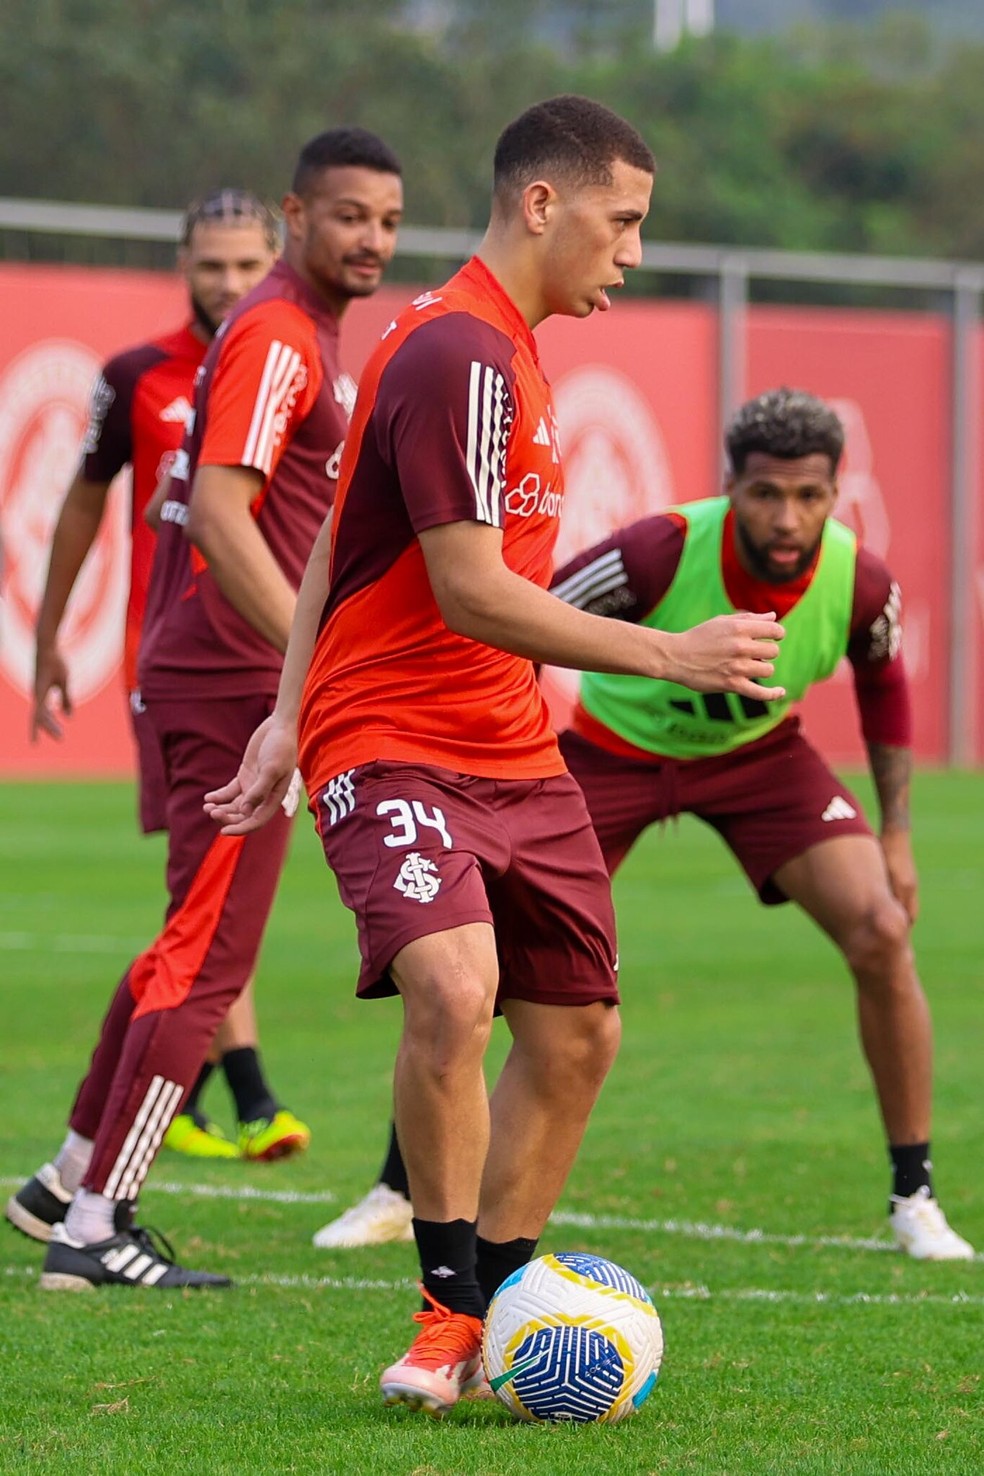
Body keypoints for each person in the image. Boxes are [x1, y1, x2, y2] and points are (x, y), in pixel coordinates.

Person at [204, 95, 787, 1415]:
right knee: (458, 989)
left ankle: (502, 1309)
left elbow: (334, 543)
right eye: (623, 219)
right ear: (543, 204)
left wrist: (277, 710)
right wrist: (667, 652)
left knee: (577, 1037)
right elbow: (468, 591)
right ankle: (444, 1310)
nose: (635, 249)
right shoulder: (458, 350)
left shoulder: (499, 349)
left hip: (510, 746)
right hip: (398, 741)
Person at [324, 386, 974, 1264]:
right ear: (730, 489)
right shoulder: (659, 553)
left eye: (810, 496)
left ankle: (915, 1196)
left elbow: (884, 690)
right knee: (484, 972)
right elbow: (528, 613)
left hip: (759, 758)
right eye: (766, 494)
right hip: (612, 753)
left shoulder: (863, 584)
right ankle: (402, 1191)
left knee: (882, 931)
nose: (788, 517)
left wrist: (895, 835)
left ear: (836, 492)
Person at [6, 127, 404, 1289]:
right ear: (297, 216)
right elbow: (222, 521)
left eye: (388, 219)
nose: (372, 238)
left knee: (184, 947)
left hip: (215, 673)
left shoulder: (292, 334)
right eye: (349, 217)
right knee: (207, 965)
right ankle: (97, 1227)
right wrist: (305, 676)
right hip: (232, 685)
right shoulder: (280, 334)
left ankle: (63, 1182)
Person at [27, 190, 309, 1165]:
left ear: (272, 258)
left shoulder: (294, 365)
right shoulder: (138, 375)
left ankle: (91, 1164)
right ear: (182, 265)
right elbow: (80, 500)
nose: (226, 284)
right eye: (208, 265)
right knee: (206, 911)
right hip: (192, 672)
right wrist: (50, 635)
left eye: (244, 265)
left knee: (208, 907)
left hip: (274, 669)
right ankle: (119, 1169)